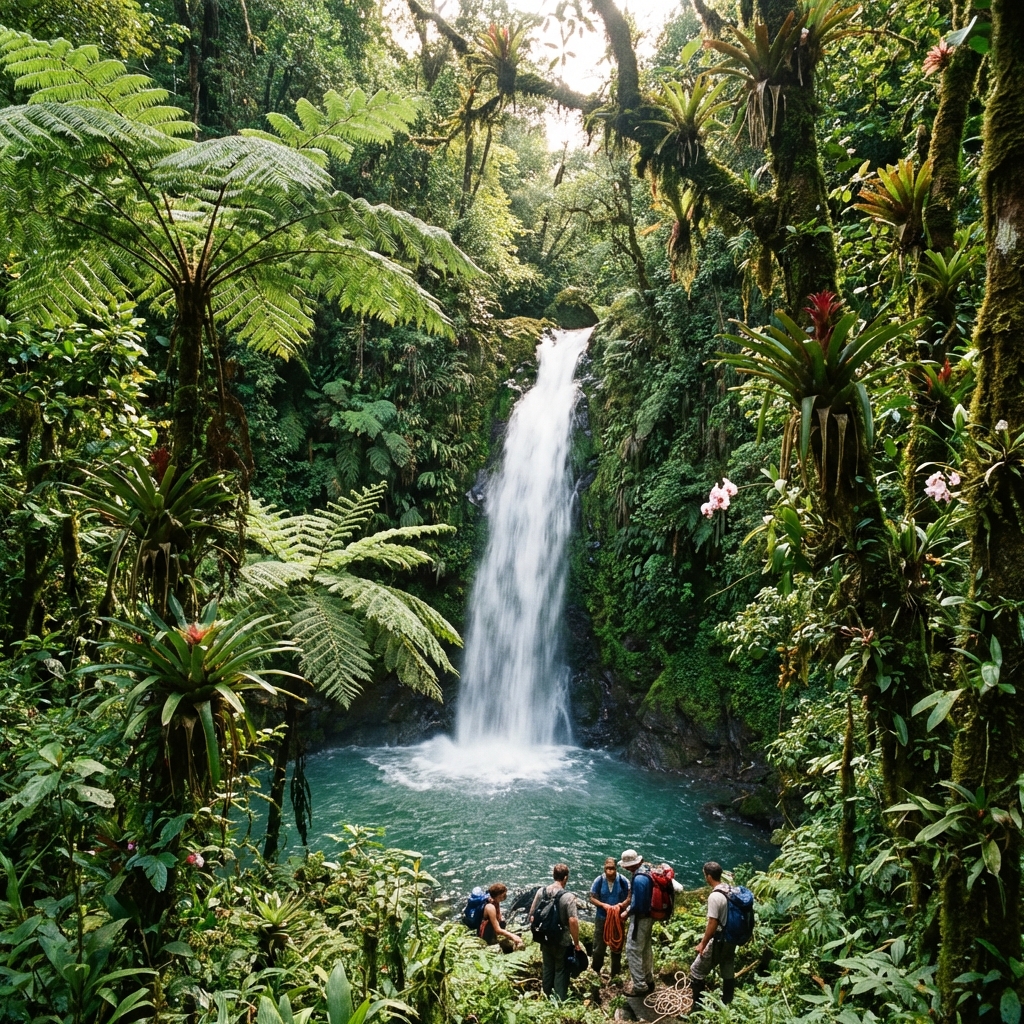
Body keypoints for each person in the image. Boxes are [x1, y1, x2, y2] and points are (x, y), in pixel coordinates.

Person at [529, 863, 582, 1001]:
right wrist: (576, 943)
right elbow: (573, 921)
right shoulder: (568, 897)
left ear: (553, 876)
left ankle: (546, 995)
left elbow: (532, 916)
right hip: (561, 940)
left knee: (547, 967)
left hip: (544, 937)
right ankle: (559, 1000)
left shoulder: (541, 891)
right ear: (565, 878)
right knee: (560, 969)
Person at [689, 861, 736, 1006]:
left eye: (705, 875)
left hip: (720, 939)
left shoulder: (715, 896)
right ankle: (727, 1001)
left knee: (696, 970)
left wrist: (703, 943)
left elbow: (712, 923)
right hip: (732, 937)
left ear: (708, 876)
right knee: (727, 966)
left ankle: (697, 1007)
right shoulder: (730, 889)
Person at [619, 849, 655, 997]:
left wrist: (626, 912)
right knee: (645, 948)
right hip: (649, 916)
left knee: (632, 950)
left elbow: (637, 904)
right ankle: (649, 979)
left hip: (641, 919)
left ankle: (640, 986)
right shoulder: (648, 870)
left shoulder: (639, 879)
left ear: (630, 865)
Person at [589, 856, 631, 977]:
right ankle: (596, 971)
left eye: (612, 868)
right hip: (602, 917)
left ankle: (615, 974)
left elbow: (630, 896)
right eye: (607, 869)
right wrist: (603, 905)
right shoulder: (599, 881)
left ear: (616, 868)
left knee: (616, 946)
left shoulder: (623, 881)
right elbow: (592, 897)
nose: (610, 872)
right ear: (604, 868)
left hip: (618, 918)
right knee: (598, 946)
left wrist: (621, 906)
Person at [480, 883, 523, 952]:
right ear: (498, 895)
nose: (505, 897)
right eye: (503, 895)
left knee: (503, 922)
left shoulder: (496, 901)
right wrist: (513, 936)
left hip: (493, 928)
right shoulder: (490, 907)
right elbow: (497, 929)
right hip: (487, 932)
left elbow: (499, 917)